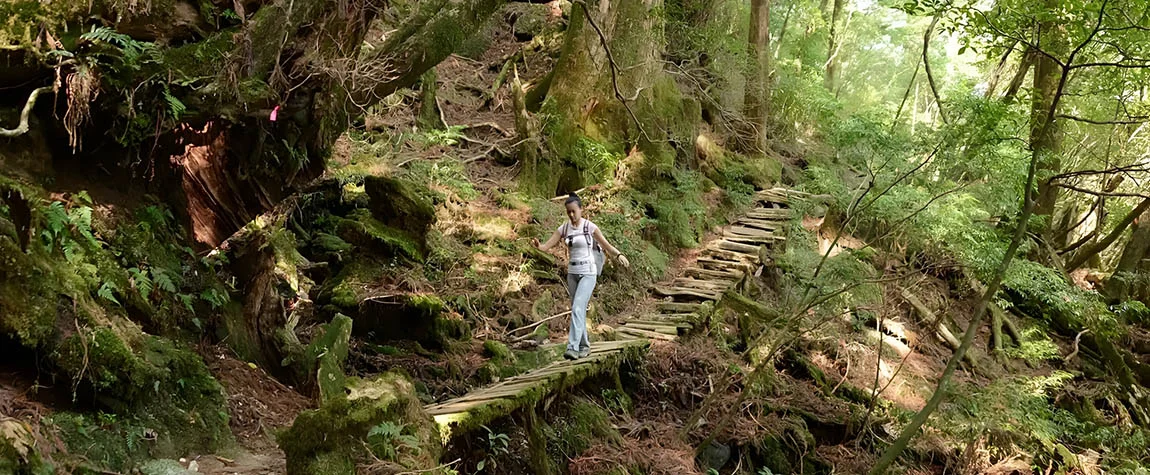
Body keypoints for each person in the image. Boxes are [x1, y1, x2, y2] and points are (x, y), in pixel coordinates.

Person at [533, 193, 630, 360]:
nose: (571, 215)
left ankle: (572, 347)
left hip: (588, 273)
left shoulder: (589, 227)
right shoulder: (563, 228)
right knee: (578, 310)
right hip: (572, 274)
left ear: (581, 210)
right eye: (568, 212)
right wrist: (537, 246)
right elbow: (546, 246)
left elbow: (606, 245)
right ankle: (584, 346)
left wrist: (619, 255)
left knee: (578, 307)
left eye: (573, 211)